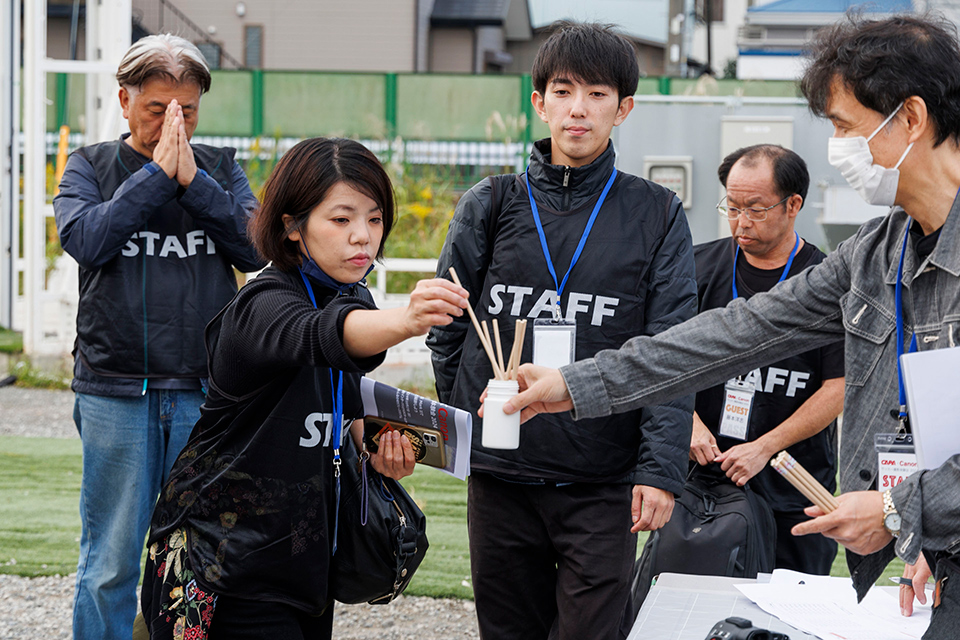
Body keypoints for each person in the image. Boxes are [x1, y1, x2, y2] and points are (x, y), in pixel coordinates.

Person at [497, 14, 960, 638]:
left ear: (909, 118)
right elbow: (740, 332)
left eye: (846, 128)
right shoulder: (878, 253)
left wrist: (899, 511)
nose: (838, 151)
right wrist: (575, 384)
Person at [427, 21, 697, 640]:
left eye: (599, 94)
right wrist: (468, 416)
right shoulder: (491, 202)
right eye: (564, 90)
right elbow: (445, 327)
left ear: (623, 108)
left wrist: (659, 471)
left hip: (602, 479)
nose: (579, 109)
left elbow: (671, 348)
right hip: (500, 477)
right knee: (507, 630)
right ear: (538, 102)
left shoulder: (656, 212)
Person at [140, 137, 468, 638]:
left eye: (374, 219)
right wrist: (407, 319)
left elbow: (343, 405)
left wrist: (379, 451)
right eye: (341, 219)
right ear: (292, 226)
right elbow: (319, 335)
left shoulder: (350, 294)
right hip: (221, 564)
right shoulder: (263, 302)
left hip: (305, 561)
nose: (362, 236)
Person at [53, 34, 265, 640]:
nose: (175, 121)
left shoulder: (221, 168)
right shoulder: (89, 166)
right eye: (157, 108)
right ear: (124, 100)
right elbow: (89, 241)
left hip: (207, 391)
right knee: (112, 560)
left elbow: (255, 247)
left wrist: (194, 183)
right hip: (115, 389)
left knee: (199, 555)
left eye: (188, 110)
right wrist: (156, 177)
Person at [690, 144, 844, 575]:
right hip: (704, 485)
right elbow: (660, 360)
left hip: (793, 486)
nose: (741, 221)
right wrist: (688, 422)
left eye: (755, 209)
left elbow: (840, 386)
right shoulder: (698, 268)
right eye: (733, 207)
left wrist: (766, 446)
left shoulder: (826, 282)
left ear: (793, 204)